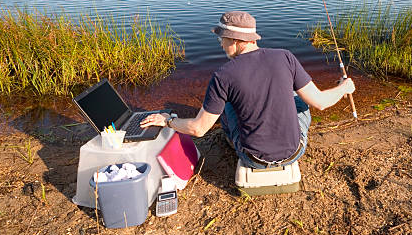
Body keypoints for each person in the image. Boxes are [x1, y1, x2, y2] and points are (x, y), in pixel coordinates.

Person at [140, 11, 355, 169]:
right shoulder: (285, 57)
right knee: (299, 100)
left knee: (228, 107)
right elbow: (321, 102)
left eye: (222, 39)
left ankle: (230, 136)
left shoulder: (223, 75)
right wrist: (343, 87)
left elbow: (198, 129)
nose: (221, 45)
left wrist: (167, 120)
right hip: (294, 153)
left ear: (235, 40)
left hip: (253, 158)